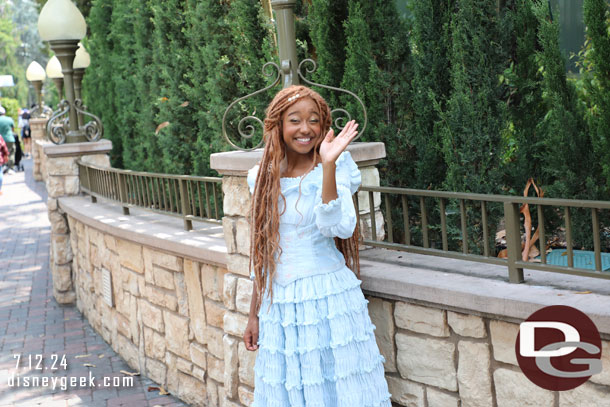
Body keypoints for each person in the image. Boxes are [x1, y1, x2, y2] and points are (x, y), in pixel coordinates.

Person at [243, 85, 391, 407]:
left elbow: (336, 227)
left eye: (313, 120)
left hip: (326, 299)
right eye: (295, 120)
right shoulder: (263, 177)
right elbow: (263, 251)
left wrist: (327, 166)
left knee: (335, 389)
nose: (305, 129)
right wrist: (253, 314)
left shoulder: (337, 167)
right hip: (279, 306)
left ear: (323, 126)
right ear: (279, 126)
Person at [0, 106, 15, 173]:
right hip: (9, 139)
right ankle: (10, 168)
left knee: (2, 153)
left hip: (1, 140)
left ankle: (3, 166)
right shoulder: (9, 119)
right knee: (11, 153)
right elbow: (12, 129)